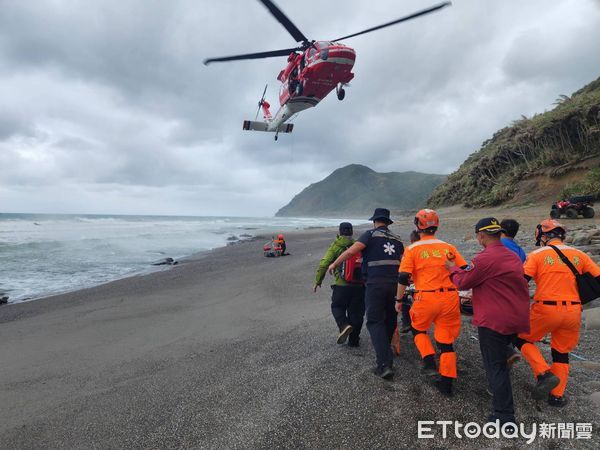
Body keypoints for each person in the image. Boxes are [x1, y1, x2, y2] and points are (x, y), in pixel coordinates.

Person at [446, 217, 530, 424]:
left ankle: (504, 415)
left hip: (494, 320)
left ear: (481, 236)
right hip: (516, 316)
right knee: (501, 355)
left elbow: (463, 281)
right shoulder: (512, 256)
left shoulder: (484, 259)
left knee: (495, 366)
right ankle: (506, 360)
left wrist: (452, 268)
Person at [514, 219, 600, 407]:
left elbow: (521, 282)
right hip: (573, 311)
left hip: (546, 309)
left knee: (521, 339)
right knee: (561, 353)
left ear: (543, 236)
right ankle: (556, 396)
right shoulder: (579, 255)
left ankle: (543, 373)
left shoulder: (536, 255)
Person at [397, 209, 467, 396]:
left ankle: (428, 360)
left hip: (426, 297)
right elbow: (464, 269)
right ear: (436, 225)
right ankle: (446, 385)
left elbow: (403, 276)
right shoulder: (449, 247)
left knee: (418, 329)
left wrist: (398, 299)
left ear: (417, 225)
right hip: (450, 298)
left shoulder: (412, 249)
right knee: (446, 343)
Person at [328, 208, 403, 380]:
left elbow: (350, 252)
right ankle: (385, 353)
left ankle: (384, 365)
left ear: (375, 221)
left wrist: (334, 264)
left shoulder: (370, 235)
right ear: (388, 222)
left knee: (375, 321)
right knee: (390, 320)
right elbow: (404, 263)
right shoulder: (397, 239)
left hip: (375, 285)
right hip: (394, 285)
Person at [314, 222, 366, 347]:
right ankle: (354, 340)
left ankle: (344, 325)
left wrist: (318, 281)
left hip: (341, 286)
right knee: (357, 313)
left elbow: (324, 264)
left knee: (337, 307)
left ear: (339, 232)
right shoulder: (358, 245)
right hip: (359, 286)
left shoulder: (335, 246)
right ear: (352, 232)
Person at [399, 230, 420, 333]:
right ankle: (415, 325)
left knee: (404, 301)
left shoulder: (409, 250)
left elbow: (403, 271)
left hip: (410, 282)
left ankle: (406, 322)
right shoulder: (426, 250)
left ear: (411, 240)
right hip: (424, 284)